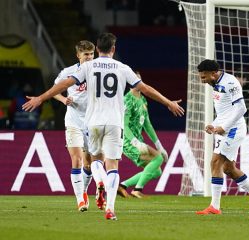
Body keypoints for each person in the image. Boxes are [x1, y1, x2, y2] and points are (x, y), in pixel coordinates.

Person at [22, 32, 185, 220]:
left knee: (95, 161)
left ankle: (99, 182)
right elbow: (145, 89)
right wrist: (168, 103)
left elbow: (64, 84)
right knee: (113, 166)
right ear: (113, 49)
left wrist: (41, 98)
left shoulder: (88, 67)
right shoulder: (123, 68)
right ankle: (111, 209)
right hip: (115, 122)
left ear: (97, 49)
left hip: (93, 122)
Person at [195, 59, 249, 215]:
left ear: (213, 73)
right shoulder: (215, 85)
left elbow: (242, 108)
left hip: (234, 129)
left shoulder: (230, 83)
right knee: (229, 168)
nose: (203, 81)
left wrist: (223, 127)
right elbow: (225, 111)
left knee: (215, 162)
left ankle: (214, 207)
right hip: (224, 129)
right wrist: (214, 124)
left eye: (204, 77)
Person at [52, 40, 95, 212]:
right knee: (76, 160)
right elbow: (55, 89)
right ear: (78, 55)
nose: (90, 58)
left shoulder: (98, 72)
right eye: (86, 55)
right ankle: (80, 200)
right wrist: (63, 99)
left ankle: (83, 191)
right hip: (74, 121)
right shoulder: (69, 72)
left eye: (92, 54)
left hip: (93, 122)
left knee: (89, 164)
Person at [117, 74, 169, 199]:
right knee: (158, 158)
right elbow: (123, 124)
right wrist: (135, 142)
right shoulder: (127, 100)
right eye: (136, 79)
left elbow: (147, 124)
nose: (139, 81)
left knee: (156, 171)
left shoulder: (143, 99)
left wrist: (159, 146)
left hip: (137, 140)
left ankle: (123, 185)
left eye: (140, 79)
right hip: (128, 141)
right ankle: (137, 190)